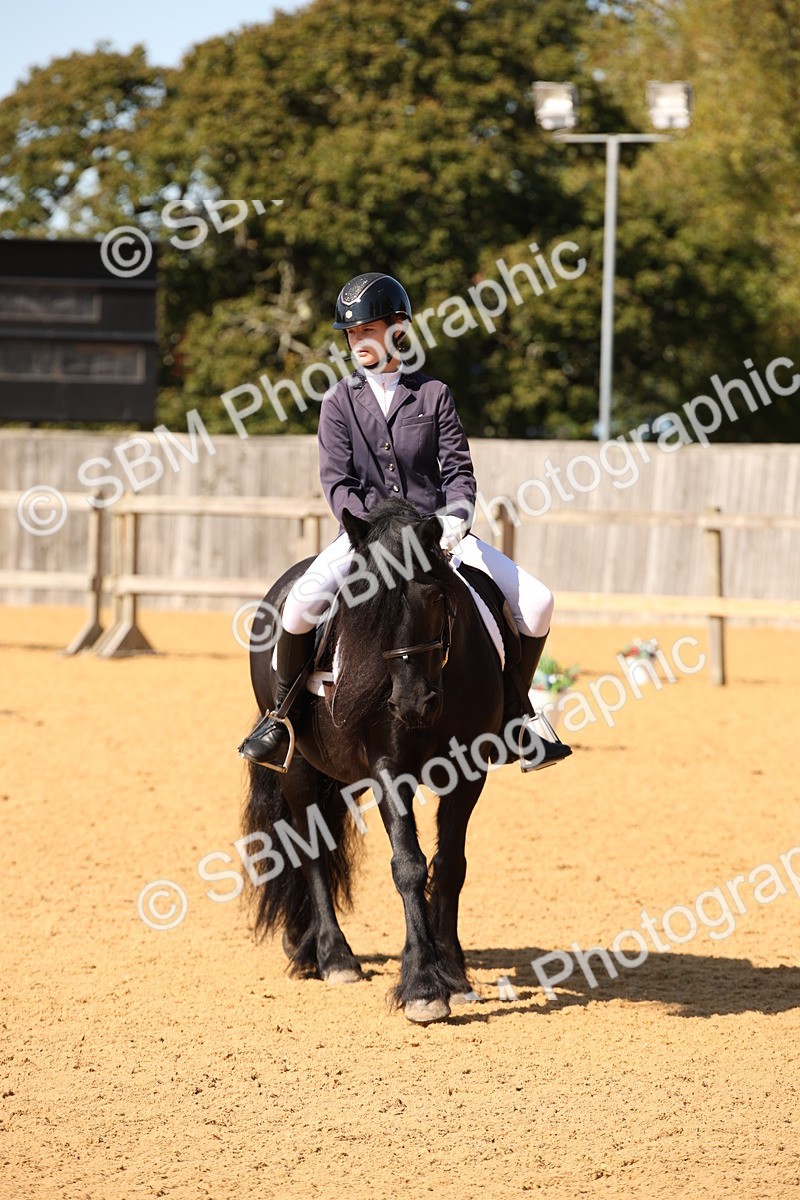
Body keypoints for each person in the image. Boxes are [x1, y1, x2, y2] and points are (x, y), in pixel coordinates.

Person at [239, 272, 572, 770]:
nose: (358, 342)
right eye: (352, 334)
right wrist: (366, 534)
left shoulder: (434, 394)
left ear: (398, 329)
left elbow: (458, 470)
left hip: (436, 534)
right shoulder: (338, 402)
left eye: (368, 330)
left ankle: (515, 717)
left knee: (540, 603)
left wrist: (455, 519)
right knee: (300, 605)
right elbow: (338, 482)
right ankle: (281, 720)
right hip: (366, 539)